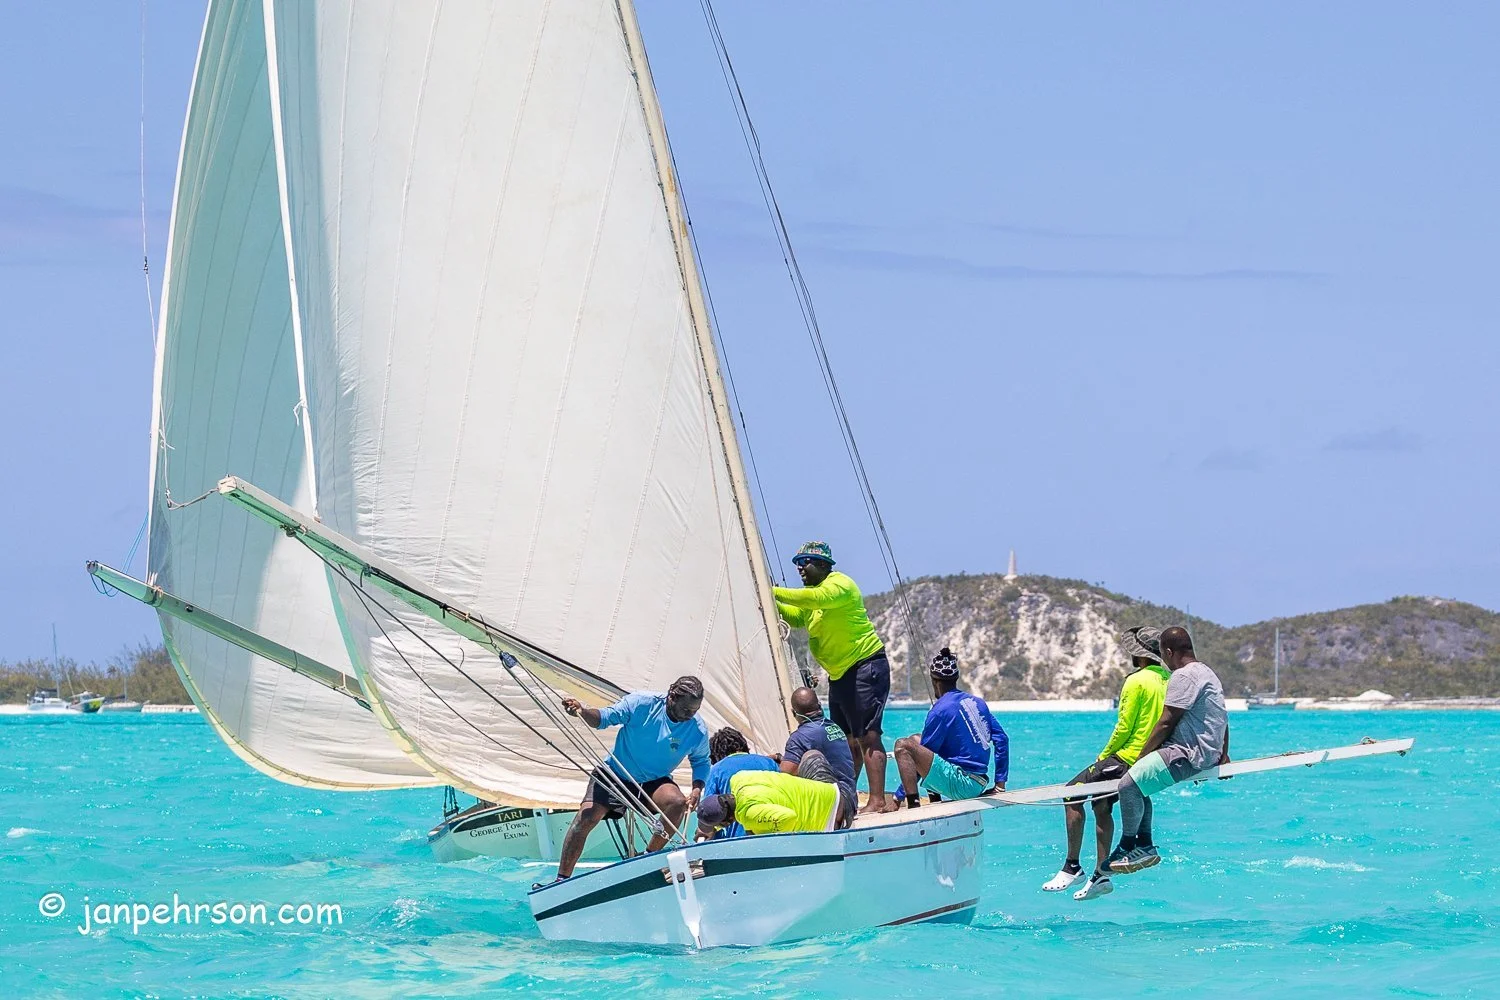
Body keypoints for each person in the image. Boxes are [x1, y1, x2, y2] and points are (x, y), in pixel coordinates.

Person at [1044, 625, 1171, 902]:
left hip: (1125, 756)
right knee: (1102, 805)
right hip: (1149, 759)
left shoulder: (1136, 681)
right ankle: (1101, 875)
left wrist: (1104, 756)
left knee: (1071, 793)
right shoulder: (1167, 678)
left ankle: (1072, 866)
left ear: (1138, 655)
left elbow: (1124, 727)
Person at [773, 541, 894, 812]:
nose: (800, 567)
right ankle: (843, 798)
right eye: (797, 562)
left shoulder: (839, 585)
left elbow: (815, 599)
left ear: (825, 565)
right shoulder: (811, 595)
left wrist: (773, 591)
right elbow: (796, 617)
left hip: (865, 666)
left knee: (868, 737)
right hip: (840, 675)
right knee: (846, 740)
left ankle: (877, 801)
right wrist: (769, 601)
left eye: (805, 561)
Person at [553, 676, 710, 880]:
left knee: (677, 802)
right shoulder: (642, 703)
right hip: (615, 774)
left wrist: (697, 788)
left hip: (654, 781)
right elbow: (605, 717)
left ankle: (648, 859)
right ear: (672, 696)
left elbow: (701, 761)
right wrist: (582, 711)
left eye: (695, 711)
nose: (690, 715)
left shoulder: (697, 729)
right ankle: (561, 879)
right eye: (686, 710)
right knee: (586, 818)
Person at [1107, 625, 1230, 876]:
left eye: (1163, 655)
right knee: (1142, 786)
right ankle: (1145, 844)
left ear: (1170, 652)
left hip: (1186, 753)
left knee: (1127, 785)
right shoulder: (1207, 672)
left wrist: (1141, 757)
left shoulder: (1183, 676)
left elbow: (1166, 722)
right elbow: (1222, 719)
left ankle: (1128, 845)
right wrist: (1222, 754)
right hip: (1207, 752)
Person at [892, 647, 1008, 807]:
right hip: (979, 783)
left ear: (934, 682)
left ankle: (912, 805)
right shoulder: (977, 702)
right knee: (916, 740)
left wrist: (897, 796)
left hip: (962, 785)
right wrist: (1000, 785)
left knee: (903, 746)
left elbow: (922, 756)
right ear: (956, 679)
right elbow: (1002, 739)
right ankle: (935, 800)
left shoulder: (940, 710)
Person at [696, 769, 851, 837]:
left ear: (728, 820)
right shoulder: (738, 778)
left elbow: (789, 818)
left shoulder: (749, 815)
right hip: (836, 789)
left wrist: (757, 833)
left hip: (836, 817)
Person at [780, 687, 858, 823]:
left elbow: (785, 774)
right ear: (819, 706)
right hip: (851, 801)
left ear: (794, 713)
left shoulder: (800, 737)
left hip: (833, 809)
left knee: (810, 756)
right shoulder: (834, 726)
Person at [699, 727, 779, 839]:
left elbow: (709, 813)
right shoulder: (770, 763)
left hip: (737, 839)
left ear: (716, 754)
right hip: (776, 832)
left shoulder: (716, 770)